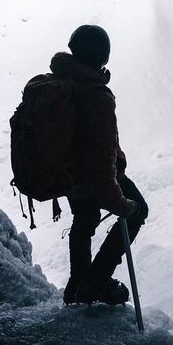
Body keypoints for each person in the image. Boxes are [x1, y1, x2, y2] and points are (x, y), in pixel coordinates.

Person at [49, 24, 148, 305]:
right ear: (102, 56)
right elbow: (103, 158)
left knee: (84, 220)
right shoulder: (97, 96)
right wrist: (118, 202)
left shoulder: (62, 80)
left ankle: (78, 284)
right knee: (137, 210)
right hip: (94, 177)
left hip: (69, 175)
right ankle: (95, 282)